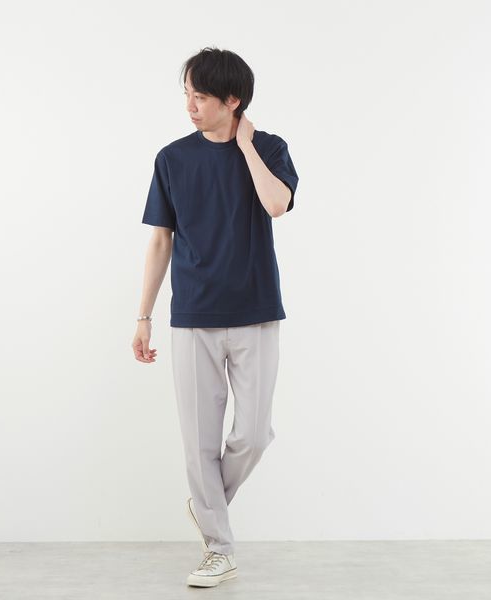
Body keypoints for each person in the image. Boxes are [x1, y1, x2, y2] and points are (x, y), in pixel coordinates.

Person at [131, 46, 299, 588]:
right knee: (200, 441)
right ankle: (218, 548)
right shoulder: (172, 159)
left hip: (255, 311)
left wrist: (246, 145)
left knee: (253, 434)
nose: (190, 105)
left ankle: (207, 506)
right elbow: (161, 240)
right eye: (186, 94)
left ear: (233, 100)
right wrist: (143, 316)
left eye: (200, 96)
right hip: (193, 316)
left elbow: (276, 204)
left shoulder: (269, 148)